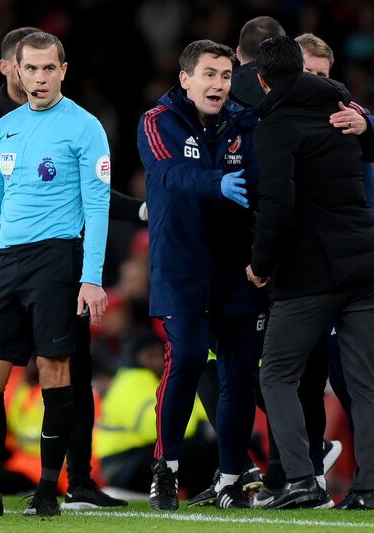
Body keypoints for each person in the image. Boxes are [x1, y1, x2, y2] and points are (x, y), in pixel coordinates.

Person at [0, 27, 130, 510]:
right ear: (16, 71)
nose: (41, 77)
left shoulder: (85, 126)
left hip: (57, 259)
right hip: (6, 261)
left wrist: (91, 277)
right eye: (32, 68)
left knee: (54, 370)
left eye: (50, 68)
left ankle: (48, 490)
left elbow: (97, 205)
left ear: (63, 71)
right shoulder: (5, 128)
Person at [247, 36, 374, 509]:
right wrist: (367, 125)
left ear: (262, 79)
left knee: (278, 375)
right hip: (368, 265)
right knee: (366, 382)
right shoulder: (341, 110)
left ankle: (302, 482)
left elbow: (277, 205)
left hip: (313, 271)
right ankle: (371, 488)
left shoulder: (275, 126)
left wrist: (261, 264)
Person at [137, 39, 263, 510]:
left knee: (238, 374)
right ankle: (165, 469)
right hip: (181, 266)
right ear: (185, 77)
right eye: (209, 74)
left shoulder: (242, 122)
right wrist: (218, 183)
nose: (218, 84)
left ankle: (232, 478)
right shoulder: (157, 121)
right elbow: (168, 173)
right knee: (187, 359)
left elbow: (259, 180)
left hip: (235, 267)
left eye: (226, 75)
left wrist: (262, 255)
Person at [292, 31, 374, 510]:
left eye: (323, 74)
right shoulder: (285, 116)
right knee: (305, 375)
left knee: (345, 376)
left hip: (341, 266)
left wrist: (363, 126)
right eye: (308, 73)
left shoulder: (345, 115)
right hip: (308, 264)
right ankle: (313, 469)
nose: (317, 82)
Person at [94, 334, 217, 496]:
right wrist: (203, 427)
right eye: (153, 355)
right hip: (123, 466)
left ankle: (208, 493)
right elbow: (158, 426)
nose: (161, 360)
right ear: (142, 358)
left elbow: (196, 407)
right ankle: (205, 494)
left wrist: (216, 426)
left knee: (206, 445)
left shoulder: (151, 380)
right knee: (199, 449)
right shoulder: (129, 383)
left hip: (133, 460)